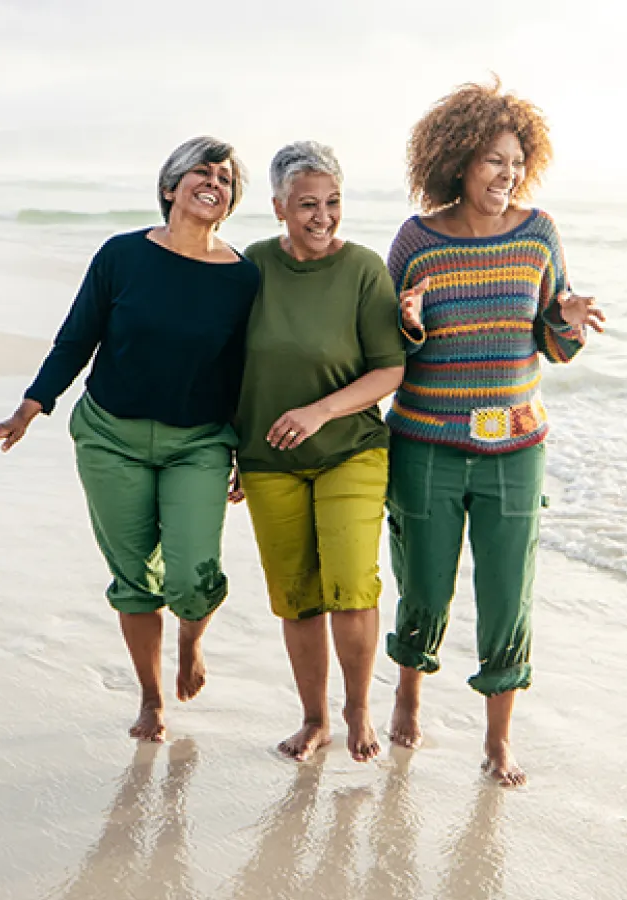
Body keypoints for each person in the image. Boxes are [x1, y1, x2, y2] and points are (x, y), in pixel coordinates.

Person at [0, 136, 259, 744]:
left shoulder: (244, 279)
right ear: (170, 186)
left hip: (198, 443)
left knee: (194, 578)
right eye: (202, 172)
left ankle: (191, 637)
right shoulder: (122, 256)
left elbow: (248, 373)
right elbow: (77, 339)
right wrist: (30, 407)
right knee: (133, 579)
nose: (215, 183)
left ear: (231, 200)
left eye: (226, 179)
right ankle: (151, 700)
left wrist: (248, 453)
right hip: (109, 438)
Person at [383, 81, 606, 786]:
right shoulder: (416, 240)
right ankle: (409, 692)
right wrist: (408, 322)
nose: (505, 177)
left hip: (517, 447)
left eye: (515, 164)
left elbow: (552, 342)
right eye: (491, 162)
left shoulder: (539, 233)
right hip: (425, 444)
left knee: (509, 593)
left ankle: (498, 739)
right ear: (456, 163)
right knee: (424, 585)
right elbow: (387, 346)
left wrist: (567, 318)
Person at [234, 141, 406, 762]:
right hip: (265, 458)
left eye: (333, 202)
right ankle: (314, 721)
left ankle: (357, 710)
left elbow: (390, 370)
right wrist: (231, 446)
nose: (323, 216)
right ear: (278, 206)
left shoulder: (362, 269)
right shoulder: (251, 267)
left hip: (350, 450)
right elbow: (224, 362)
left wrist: (319, 411)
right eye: (308, 204)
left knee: (353, 584)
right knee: (297, 594)